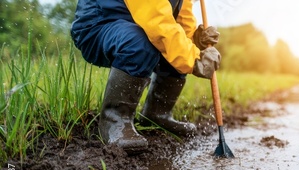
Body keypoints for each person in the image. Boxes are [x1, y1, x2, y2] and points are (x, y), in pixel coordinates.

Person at [71, 0, 221, 154]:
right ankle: (114, 121)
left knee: (178, 47)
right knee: (143, 43)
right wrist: (195, 59)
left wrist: (195, 40)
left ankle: (157, 114)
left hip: (138, 28)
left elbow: (180, 23)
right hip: (98, 25)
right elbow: (157, 21)